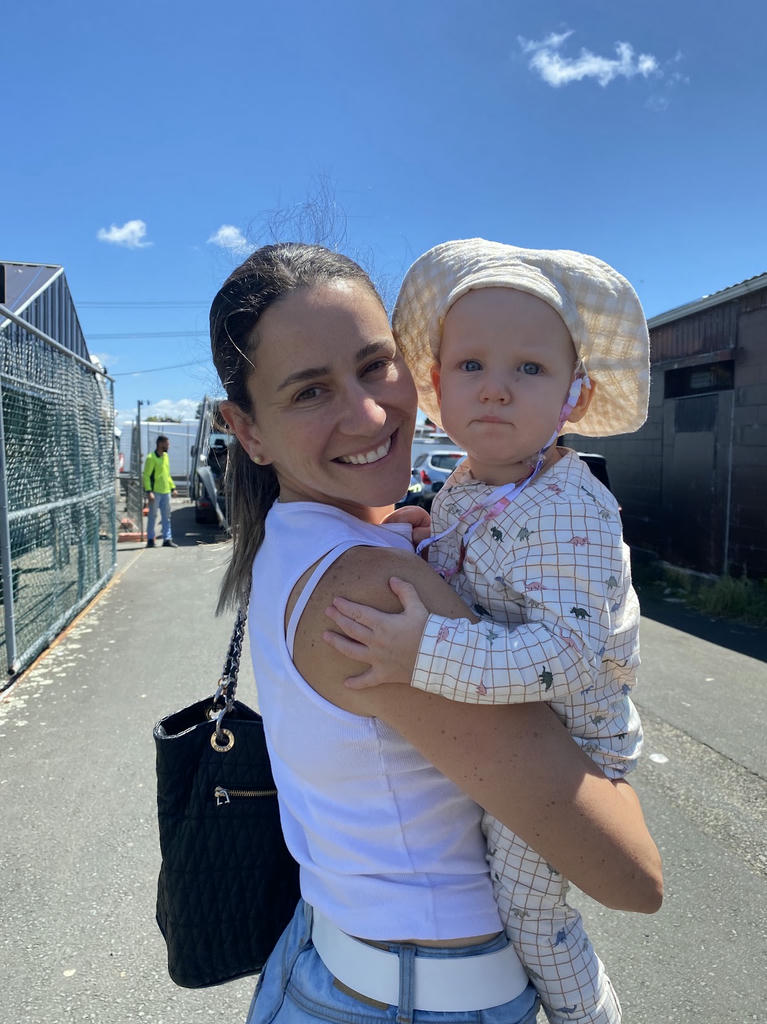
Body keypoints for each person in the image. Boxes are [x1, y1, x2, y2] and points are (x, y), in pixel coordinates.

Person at [210, 242, 662, 1024]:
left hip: (333, 957)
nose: (368, 414)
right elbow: (629, 876)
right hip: (422, 997)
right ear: (246, 430)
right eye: (310, 390)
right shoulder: (375, 593)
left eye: (374, 365)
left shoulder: (303, 536)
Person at [142, 434, 179, 548]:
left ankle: (167, 539)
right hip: (155, 492)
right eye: (167, 444)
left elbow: (167, 475)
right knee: (152, 516)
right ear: (160, 444)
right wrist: (149, 491)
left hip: (166, 492)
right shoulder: (151, 458)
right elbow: (146, 476)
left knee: (166, 517)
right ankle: (150, 539)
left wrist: (173, 488)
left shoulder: (166, 456)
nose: (168, 446)